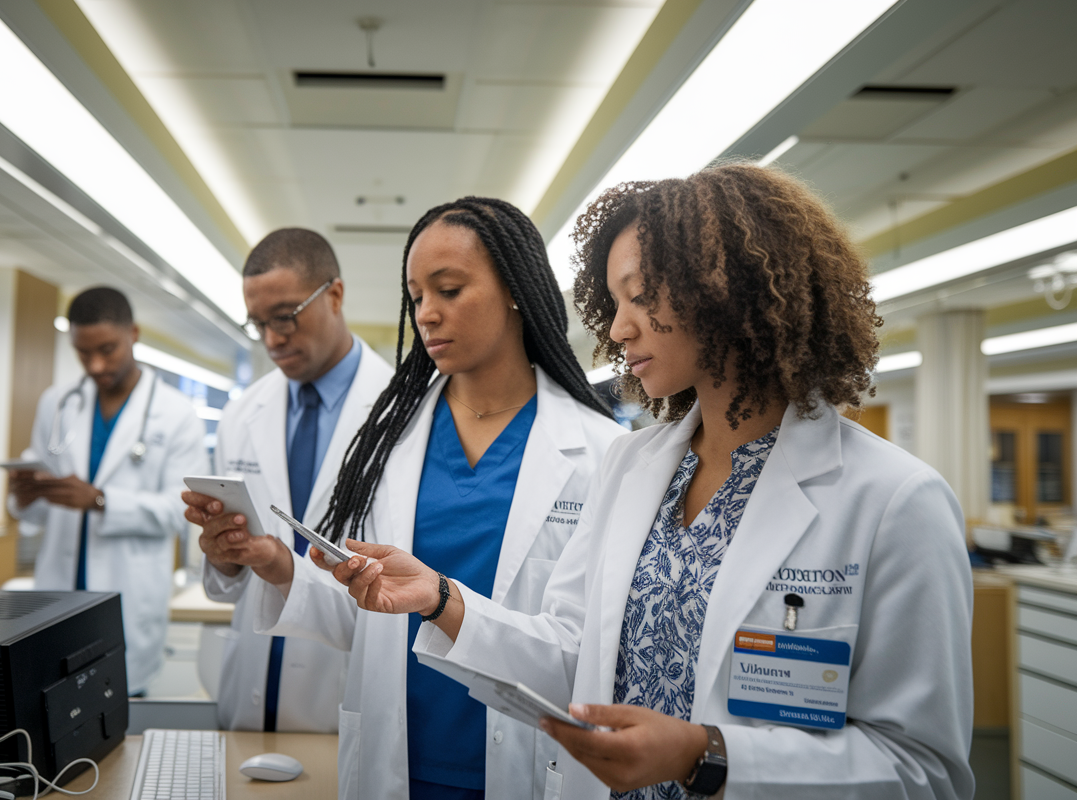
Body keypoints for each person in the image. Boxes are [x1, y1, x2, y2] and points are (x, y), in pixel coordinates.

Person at [327, 165, 975, 799]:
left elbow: (925, 770)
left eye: (639, 296)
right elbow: (572, 657)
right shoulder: (632, 467)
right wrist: (440, 598)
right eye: (613, 302)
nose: (616, 327)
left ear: (726, 291)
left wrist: (706, 757)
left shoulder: (893, 502)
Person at [188, 197, 626, 800]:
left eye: (449, 290)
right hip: (396, 760)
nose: (427, 315)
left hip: (524, 762)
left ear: (518, 290)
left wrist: (442, 599)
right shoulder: (387, 437)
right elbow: (368, 612)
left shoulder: (602, 452)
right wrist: (275, 561)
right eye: (416, 297)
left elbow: (589, 652)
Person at [183, 228, 393, 732]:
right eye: (258, 324)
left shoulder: (404, 414)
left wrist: (286, 566)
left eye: (285, 317)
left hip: (343, 687)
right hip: (252, 680)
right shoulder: (243, 413)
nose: (273, 338)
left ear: (335, 295)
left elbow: (403, 580)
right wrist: (224, 555)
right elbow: (228, 588)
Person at [9, 286, 208, 695]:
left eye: (108, 349)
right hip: (59, 590)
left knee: (118, 713)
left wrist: (101, 501)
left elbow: (180, 509)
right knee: (50, 704)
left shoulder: (175, 414)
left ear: (133, 333)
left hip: (127, 595)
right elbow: (42, 504)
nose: (96, 364)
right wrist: (26, 498)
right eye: (83, 353)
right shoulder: (58, 402)